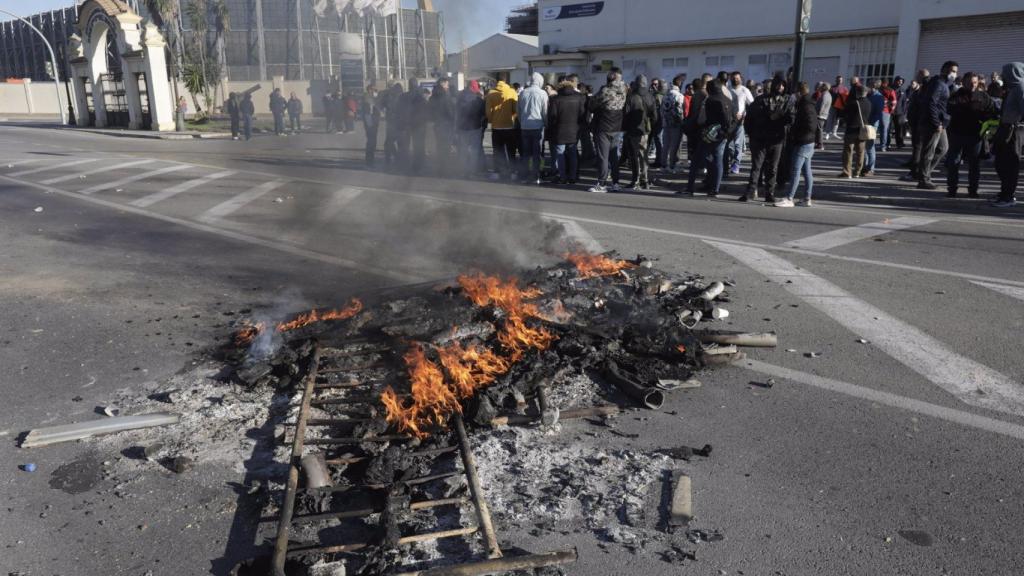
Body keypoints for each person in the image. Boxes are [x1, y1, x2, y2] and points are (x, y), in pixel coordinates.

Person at [740, 76, 793, 203]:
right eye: (778, 84)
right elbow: (749, 119)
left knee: (772, 168)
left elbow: (791, 118)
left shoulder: (787, 100)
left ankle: (769, 193)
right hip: (761, 138)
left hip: (776, 139)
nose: (780, 87)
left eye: (783, 85)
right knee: (757, 166)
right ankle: (750, 191)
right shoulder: (760, 100)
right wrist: (752, 134)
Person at [945, 72, 995, 198]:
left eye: (974, 83)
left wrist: (984, 117)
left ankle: (973, 190)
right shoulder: (957, 95)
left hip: (975, 135)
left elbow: (992, 111)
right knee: (953, 163)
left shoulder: (983, 96)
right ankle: (952, 189)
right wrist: (966, 107)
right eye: (969, 82)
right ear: (964, 82)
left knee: (974, 164)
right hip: (957, 133)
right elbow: (950, 108)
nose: (972, 85)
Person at [686, 78, 735, 197]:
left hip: (709, 134)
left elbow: (702, 119)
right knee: (718, 161)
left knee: (696, 160)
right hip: (723, 135)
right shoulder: (728, 100)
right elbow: (734, 118)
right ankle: (715, 189)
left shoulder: (710, 100)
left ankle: (690, 188)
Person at [917, 61, 958, 190]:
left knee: (943, 148)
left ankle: (925, 173)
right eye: (953, 71)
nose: (955, 74)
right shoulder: (938, 83)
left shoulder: (944, 84)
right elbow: (931, 103)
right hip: (933, 123)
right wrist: (936, 123)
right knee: (929, 151)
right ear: (945, 70)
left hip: (941, 123)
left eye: (956, 71)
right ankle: (923, 179)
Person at [776, 82, 817, 207]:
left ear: (799, 92)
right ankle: (806, 198)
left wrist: (797, 132)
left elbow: (810, 125)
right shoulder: (809, 104)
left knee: (795, 170)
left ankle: (789, 197)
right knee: (806, 170)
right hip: (808, 141)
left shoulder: (805, 106)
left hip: (803, 142)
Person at [587, 70, 627, 193]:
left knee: (603, 157)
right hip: (617, 126)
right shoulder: (624, 90)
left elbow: (592, 105)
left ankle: (602, 183)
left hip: (604, 126)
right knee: (614, 156)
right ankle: (615, 183)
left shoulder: (605, 91)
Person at [992, 62, 1024, 207]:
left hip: (1014, 130)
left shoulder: (1021, 88)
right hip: (1005, 128)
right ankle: (1004, 192)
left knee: (1010, 164)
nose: (1002, 76)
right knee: (1000, 162)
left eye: (1005, 73)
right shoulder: (1012, 88)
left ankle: (1008, 196)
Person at [547, 76, 587, 184]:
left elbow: (552, 116)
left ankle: (563, 176)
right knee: (573, 153)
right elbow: (582, 115)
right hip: (574, 129)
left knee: (560, 153)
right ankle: (573, 177)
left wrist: (552, 128)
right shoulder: (578, 98)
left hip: (560, 130)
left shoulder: (556, 99)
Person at [623, 74, 659, 190]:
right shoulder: (650, 96)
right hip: (645, 130)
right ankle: (645, 180)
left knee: (634, 156)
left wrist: (625, 128)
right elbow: (655, 116)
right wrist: (650, 127)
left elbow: (626, 114)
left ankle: (635, 180)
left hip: (632, 130)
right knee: (644, 155)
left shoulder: (631, 96)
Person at [517, 72, 549, 184]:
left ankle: (524, 176)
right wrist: (546, 123)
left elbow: (518, 111)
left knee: (525, 153)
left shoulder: (522, 93)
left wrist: (522, 122)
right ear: (540, 81)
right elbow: (545, 111)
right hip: (537, 126)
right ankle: (536, 176)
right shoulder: (543, 93)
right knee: (537, 153)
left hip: (525, 127)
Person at [485, 79, 519, 181]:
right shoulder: (512, 92)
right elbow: (516, 109)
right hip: (509, 126)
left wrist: (492, 120)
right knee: (511, 151)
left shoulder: (491, 94)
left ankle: (498, 172)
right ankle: (513, 172)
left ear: (497, 84)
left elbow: (488, 111)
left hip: (496, 127)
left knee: (498, 151)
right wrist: (512, 118)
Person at [837, 83, 872, 178]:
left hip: (851, 129)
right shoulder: (869, 103)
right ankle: (857, 171)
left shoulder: (853, 103)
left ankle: (847, 172)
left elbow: (845, 114)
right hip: (862, 130)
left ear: (857, 93)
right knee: (860, 152)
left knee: (848, 151)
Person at [456, 80, 487, 177]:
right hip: (475, 128)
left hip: (462, 128)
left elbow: (456, 114)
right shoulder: (479, 100)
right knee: (474, 151)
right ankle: (472, 171)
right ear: (473, 88)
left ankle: (462, 170)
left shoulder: (459, 99)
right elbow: (484, 114)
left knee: (463, 150)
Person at [727, 71, 755, 174]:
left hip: (740, 121)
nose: (735, 79)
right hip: (729, 121)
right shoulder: (728, 90)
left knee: (738, 144)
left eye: (737, 78)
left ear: (741, 79)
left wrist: (744, 114)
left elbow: (752, 105)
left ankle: (736, 164)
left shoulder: (744, 90)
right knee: (729, 145)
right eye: (733, 78)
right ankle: (732, 160)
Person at [400, 78, 429, 174]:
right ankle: (418, 166)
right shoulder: (420, 97)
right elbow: (425, 110)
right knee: (419, 146)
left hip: (405, 124)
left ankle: (404, 165)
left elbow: (398, 110)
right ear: (416, 85)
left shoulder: (403, 96)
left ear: (409, 85)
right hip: (418, 125)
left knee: (405, 146)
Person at [662, 74, 687, 173]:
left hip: (666, 123)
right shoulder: (680, 96)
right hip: (676, 124)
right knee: (674, 146)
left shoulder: (665, 96)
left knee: (666, 145)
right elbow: (681, 111)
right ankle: (672, 165)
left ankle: (663, 165)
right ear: (680, 84)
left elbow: (661, 110)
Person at [429, 77, 456, 166]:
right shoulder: (445, 96)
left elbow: (430, 110)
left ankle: (440, 166)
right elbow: (449, 112)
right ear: (442, 83)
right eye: (447, 84)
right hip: (446, 125)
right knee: (446, 146)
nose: (448, 86)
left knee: (439, 146)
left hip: (437, 125)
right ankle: (445, 168)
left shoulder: (433, 95)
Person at [862, 80, 885, 176]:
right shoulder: (869, 96)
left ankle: (871, 169)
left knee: (870, 147)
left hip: (872, 124)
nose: (866, 88)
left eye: (868, 86)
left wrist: (871, 124)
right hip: (866, 123)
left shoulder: (878, 97)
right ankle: (865, 167)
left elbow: (878, 113)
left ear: (873, 86)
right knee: (865, 147)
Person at [381, 83, 404, 167]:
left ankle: (390, 159)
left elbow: (383, 105)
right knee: (399, 143)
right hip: (400, 123)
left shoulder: (390, 97)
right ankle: (400, 160)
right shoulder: (402, 97)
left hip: (392, 122)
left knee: (388, 143)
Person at [361, 85, 382, 167]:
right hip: (369, 121)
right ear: (370, 90)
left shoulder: (370, 97)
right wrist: (370, 126)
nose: (375, 91)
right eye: (374, 90)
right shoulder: (366, 97)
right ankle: (369, 161)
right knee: (371, 141)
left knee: (372, 141)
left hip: (373, 121)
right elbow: (369, 110)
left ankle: (370, 159)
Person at [647, 78, 666, 168]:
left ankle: (659, 161)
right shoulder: (651, 94)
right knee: (650, 140)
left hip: (658, 121)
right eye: (652, 84)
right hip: (651, 121)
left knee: (658, 140)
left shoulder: (659, 95)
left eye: (656, 84)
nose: (654, 86)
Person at [891, 76, 908, 149]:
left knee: (899, 129)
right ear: (895, 81)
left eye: (901, 82)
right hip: (890, 111)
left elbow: (904, 102)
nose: (900, 83)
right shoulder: (891, 89)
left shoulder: (903, 90)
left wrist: (904, 112)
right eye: (899, 81)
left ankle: (899, 143)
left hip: (899, 112)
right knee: (888, 128)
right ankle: (887, 143)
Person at [814, 82, 831, 150]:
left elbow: (822, 106)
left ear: (824, 87)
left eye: (822, 86)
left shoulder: (824, 95)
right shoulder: (828, 94)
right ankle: (818, 143)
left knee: (819, 130)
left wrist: (817, 114)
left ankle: (820, 144)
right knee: (819, 129)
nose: (820, 87)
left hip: (820, 115)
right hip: (823, 115)